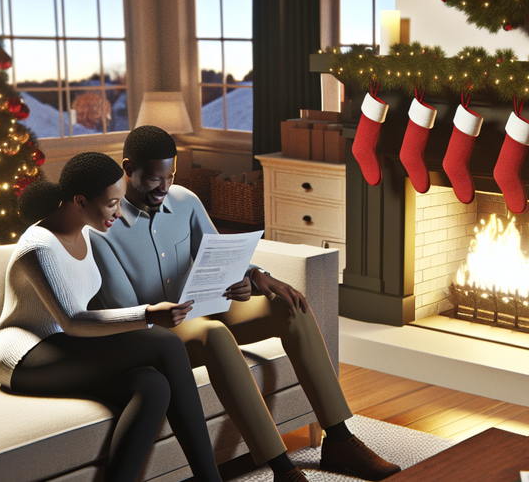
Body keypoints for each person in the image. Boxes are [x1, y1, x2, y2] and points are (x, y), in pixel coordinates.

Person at [90, 126, 402, 482]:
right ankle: (282, 468)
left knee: (290, 306)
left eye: (170, 176)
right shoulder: (103, 226)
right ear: (128, 168)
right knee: (214, 333)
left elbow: (218, 254)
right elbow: (128, 312)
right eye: (153, 179)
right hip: (158, 332)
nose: (164, 187)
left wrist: (251, 276)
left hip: (201, 305)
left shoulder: (185, 201)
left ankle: (340, 439)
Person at [0, 152, 223, 482]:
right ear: (80, 201)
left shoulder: (87, 232)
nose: (119, 211)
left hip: (67, 344)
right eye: (112, 203)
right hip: (26, 356)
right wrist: (147, 314)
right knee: (166, 345)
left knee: (153, 386)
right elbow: (73, 321)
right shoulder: (38, 247)